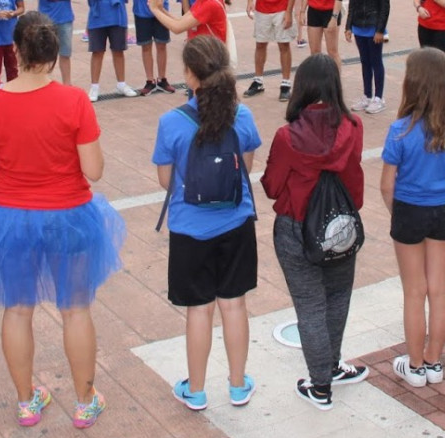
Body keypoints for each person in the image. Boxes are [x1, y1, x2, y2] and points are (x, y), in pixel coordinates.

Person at [0, 12, 125, 429]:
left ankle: (27, 400)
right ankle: (85, 400)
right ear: (52, 55)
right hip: (68, 214)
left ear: (15, 50)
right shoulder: (74, 101)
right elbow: (95, 169)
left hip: (10, 217)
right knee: (75, 309)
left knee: (16, 311)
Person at [152, 35, 260, 411]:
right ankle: (237, 385)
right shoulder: (242, 116)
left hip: (190, 229)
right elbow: (246, 169)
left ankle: (196, 390)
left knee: (199, 309)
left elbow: (166, 181)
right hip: (236, 222)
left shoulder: (172, 122)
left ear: (189, 75)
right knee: (234, 305)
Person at [261, 54, 368, 411]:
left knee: (309, 306)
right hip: (340, 225)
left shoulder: (287, 135)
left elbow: (273, 186)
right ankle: (332, 366)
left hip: (295, 226)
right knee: (338, 297)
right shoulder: (353, 126)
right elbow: (354, 181)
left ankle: (320, 384)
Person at [380, 47, 445, 388]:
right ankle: (435, 360)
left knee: (413, 291)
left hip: (408, 210)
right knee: (439, 289)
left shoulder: (400, 130)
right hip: (442, 211)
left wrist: (398, 214)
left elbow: (386, 185)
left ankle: (415, 365)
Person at [243, 0, 297, 102]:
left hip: (282, 8)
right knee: (260, 44)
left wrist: (289, 11)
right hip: (262, 9)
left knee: (284, 44)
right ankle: (258, 81)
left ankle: (286, 83)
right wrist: (249, 2)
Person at [86, 0, 138, 102]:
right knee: (97, 52)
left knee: (118, 51)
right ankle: (94, 87)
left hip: (117, 16)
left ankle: (121, 84)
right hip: (97, 17)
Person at [345, 0, 389, 114]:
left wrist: (380, 30)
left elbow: (385, 8)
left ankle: (379, 98)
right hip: (358, 27)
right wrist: (348, 27)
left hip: (373, 27)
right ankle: (367, 96)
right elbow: (352, 6)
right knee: (365, 62)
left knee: (376, 61)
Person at [133, 0, 175, 96]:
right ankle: (150, 81)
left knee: (161, 45)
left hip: (161, 10)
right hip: (141, 12)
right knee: (146, 46)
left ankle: (162, 79)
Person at [148, 0, 228, 43]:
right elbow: (180, 21)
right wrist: (161, 9)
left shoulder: (210, 4)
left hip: (209, 56)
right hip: (202, 52)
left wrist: (155, 9)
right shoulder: (202, 1)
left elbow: (177, 28)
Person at [299, 0, 342, 70]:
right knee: (314, 52)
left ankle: (336, 79)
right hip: (313, 10)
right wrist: (302, 11)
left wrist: (334, 18)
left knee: (332, 52)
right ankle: (317, 78)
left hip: (331, 11)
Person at [38, 0, 73, 85]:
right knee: (45, 55)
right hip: (45, 19)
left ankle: (67, 84)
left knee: (65, 54)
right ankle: (43, 83)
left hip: (64, 18)